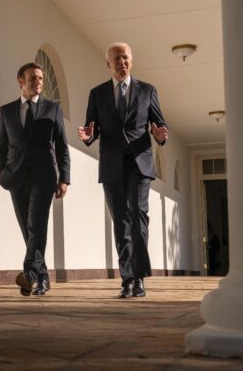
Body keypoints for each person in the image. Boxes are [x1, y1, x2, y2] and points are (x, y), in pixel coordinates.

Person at [78, 42, 168, 299]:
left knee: (138, 216)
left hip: (140, 164)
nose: (122, 62)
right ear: (108, 63)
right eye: (116, 58)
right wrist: (86, 136)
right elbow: (90, 129)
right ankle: (127, 278)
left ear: (132, 60)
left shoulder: (148, 90)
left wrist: (160, 134)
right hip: (112, 165)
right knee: (121, 221)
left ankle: (138, 277)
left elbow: (158, 124)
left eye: (125, 57)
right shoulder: (97, 94)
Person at [0, 62, 70, 296]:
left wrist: (64, 178)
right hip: (15, 177)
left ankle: (29, 273)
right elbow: (1, 145)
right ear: (21, 81)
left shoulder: (52, 109)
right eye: (33, 78)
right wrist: (2, 170)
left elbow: (62, 145)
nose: (38, 82)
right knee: (28, 230)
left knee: (36, 224)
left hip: (44, 176)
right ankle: (42, 277)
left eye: (40, 78)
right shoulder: (6, 111)